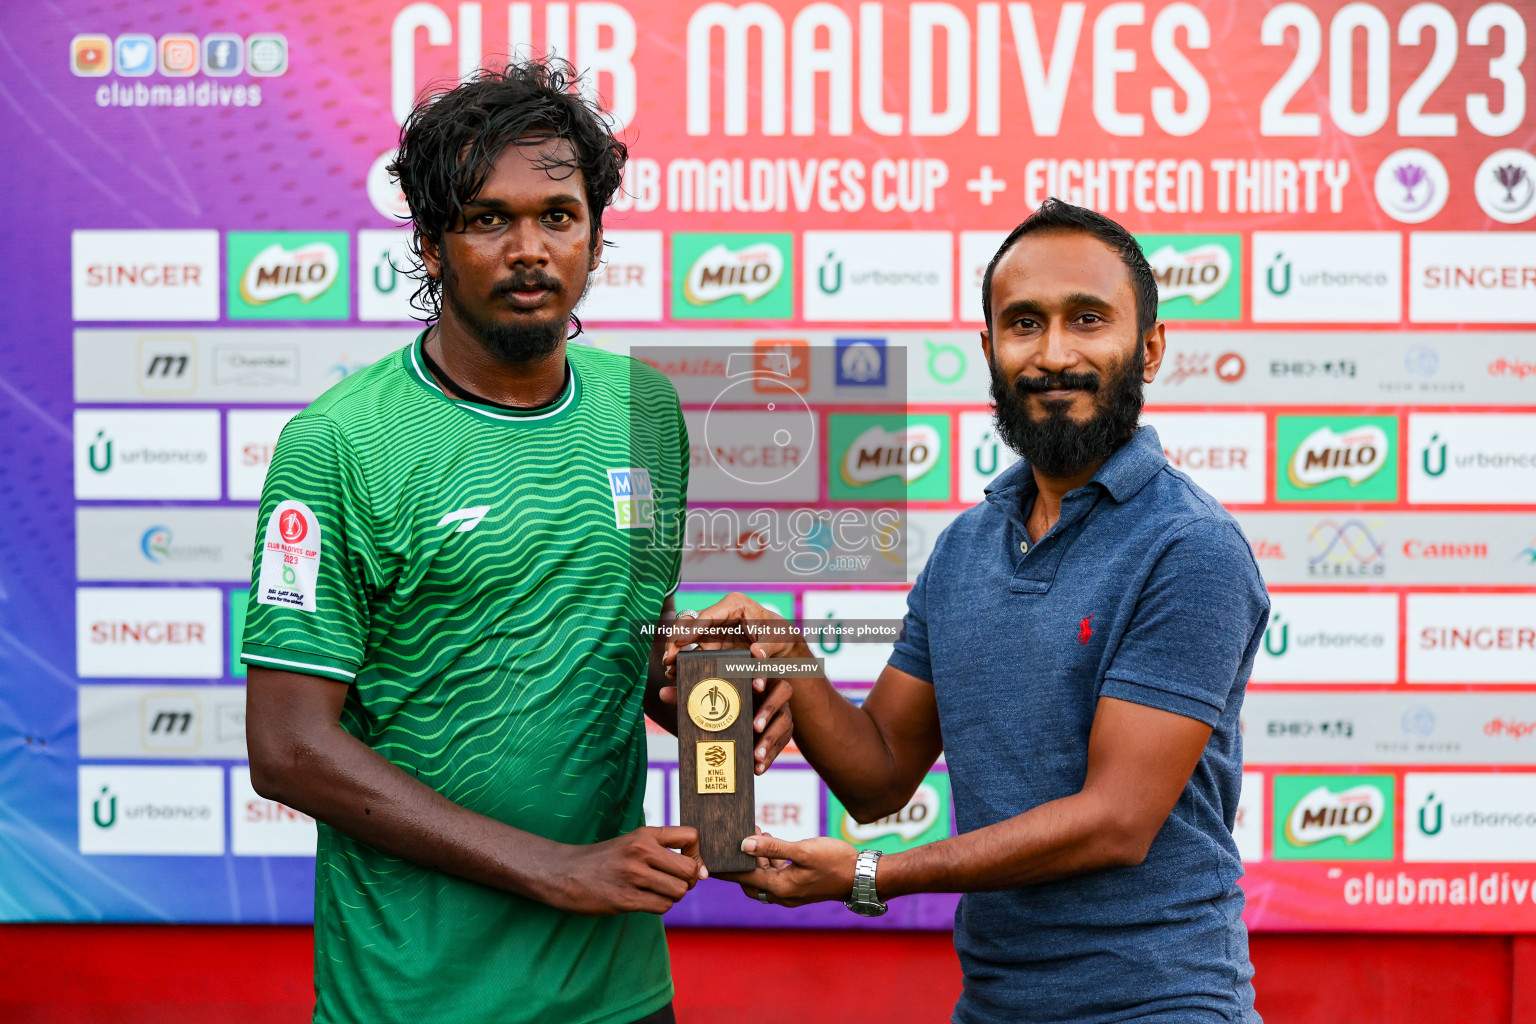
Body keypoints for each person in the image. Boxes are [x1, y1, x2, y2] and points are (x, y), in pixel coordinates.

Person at [241, 61, 792, 1024]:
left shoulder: (645, 408)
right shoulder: (336, 445)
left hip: (617, 991)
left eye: (559, 215)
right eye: (489, 218)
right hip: (416, 998)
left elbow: (623, 636)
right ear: (429, 244)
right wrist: (554, 870)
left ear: (596, 232)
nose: (529, 248)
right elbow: (288, 748)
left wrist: (704, 696)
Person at [667, 199, 1270, 1024]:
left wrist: (872, 875)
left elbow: (1115, 822)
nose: (1054, 354)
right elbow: (878, 774)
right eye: (1025, 324)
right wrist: (785, 653)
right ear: (989, 351)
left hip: (1158, 1004)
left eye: (1088, 320)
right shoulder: (966, 547)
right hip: (993, 1004)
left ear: (1151, 348)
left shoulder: (1189, 547)